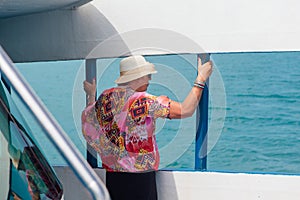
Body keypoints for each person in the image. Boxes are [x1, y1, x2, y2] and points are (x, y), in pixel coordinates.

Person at [82, 55, 213, 200]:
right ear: (136, 78)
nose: (149, 80)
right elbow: (186, 109)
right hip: (140, 179)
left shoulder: (105, 98)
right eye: (147, 76)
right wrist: (200, 79)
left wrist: (91, 95)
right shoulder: (144, 102)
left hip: (113, 178)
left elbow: (88, 121)